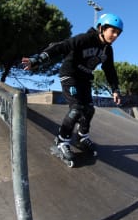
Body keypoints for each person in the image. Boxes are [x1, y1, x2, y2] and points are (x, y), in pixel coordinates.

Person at [21, 13, 123, 160]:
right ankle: (62, 141)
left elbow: (110, 70)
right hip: (70, 76)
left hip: (85, 79)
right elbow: (61, 46)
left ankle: (82, 137)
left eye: (118, 33)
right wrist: (38, 59)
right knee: (76, 109)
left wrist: (115, 89)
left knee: (89, 110)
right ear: (101, 28)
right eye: (112, 31)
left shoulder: (108, 50)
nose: (115, 36)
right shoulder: (85, 39)